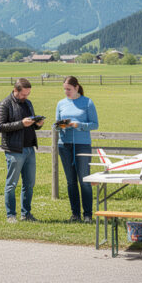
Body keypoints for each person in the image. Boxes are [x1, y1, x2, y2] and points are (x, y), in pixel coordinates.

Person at [0, 78, 44, 223]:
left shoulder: (28, 103)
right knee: (12, 184)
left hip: (30, 148)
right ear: (15, 90)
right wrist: (21, 124)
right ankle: (11, 215)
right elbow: (0, 126)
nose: (26, 97)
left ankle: (26, 214)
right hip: (14, 149)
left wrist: (38, 124)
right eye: (23, 94)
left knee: (29, 184)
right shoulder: (5, 104)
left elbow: (31, 125)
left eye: (28, 94)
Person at [55, 76, 98, 223]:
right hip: (65, 145)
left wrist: (79, 125)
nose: (66, 92)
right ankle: (75, 215)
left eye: (69, 89)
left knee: (84, 180)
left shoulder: (87, 102)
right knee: (71, 182)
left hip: (82, 145)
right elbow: (56, 125)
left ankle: (87, 215)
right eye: (65, 89)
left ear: (77, 88)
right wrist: (62, 125)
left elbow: (94, 124)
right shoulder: (61, 104)